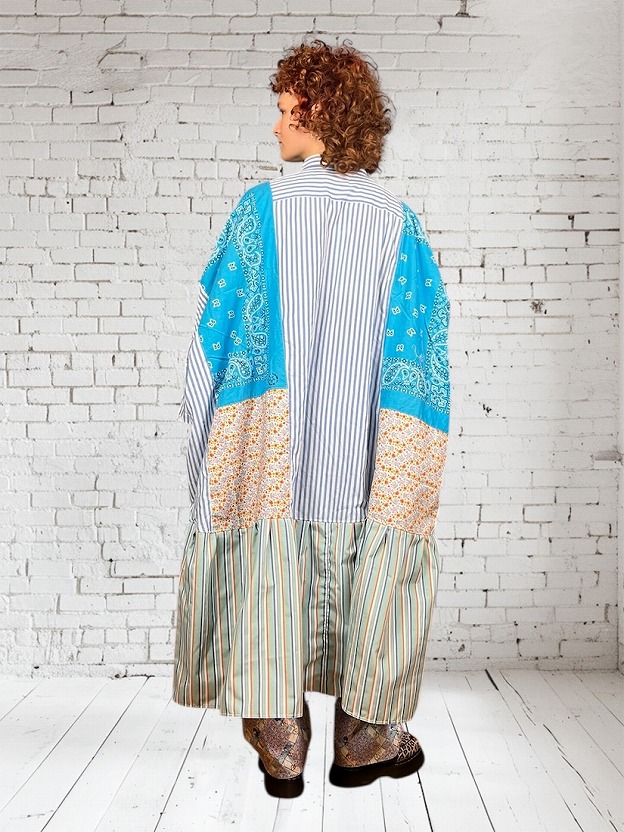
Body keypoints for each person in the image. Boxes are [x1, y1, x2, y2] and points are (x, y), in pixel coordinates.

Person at [171, 39, 451, 799]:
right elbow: (426, 353)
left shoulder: (259, 212)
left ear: (320, 111)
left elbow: (213, 336)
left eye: (285, 109)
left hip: (271, 449)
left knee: (267, 568)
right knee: (371, 563)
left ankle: (282, 748)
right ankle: (364, 741)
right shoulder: (399, 223)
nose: (275, 126)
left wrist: (200, 433)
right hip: (369, 450)